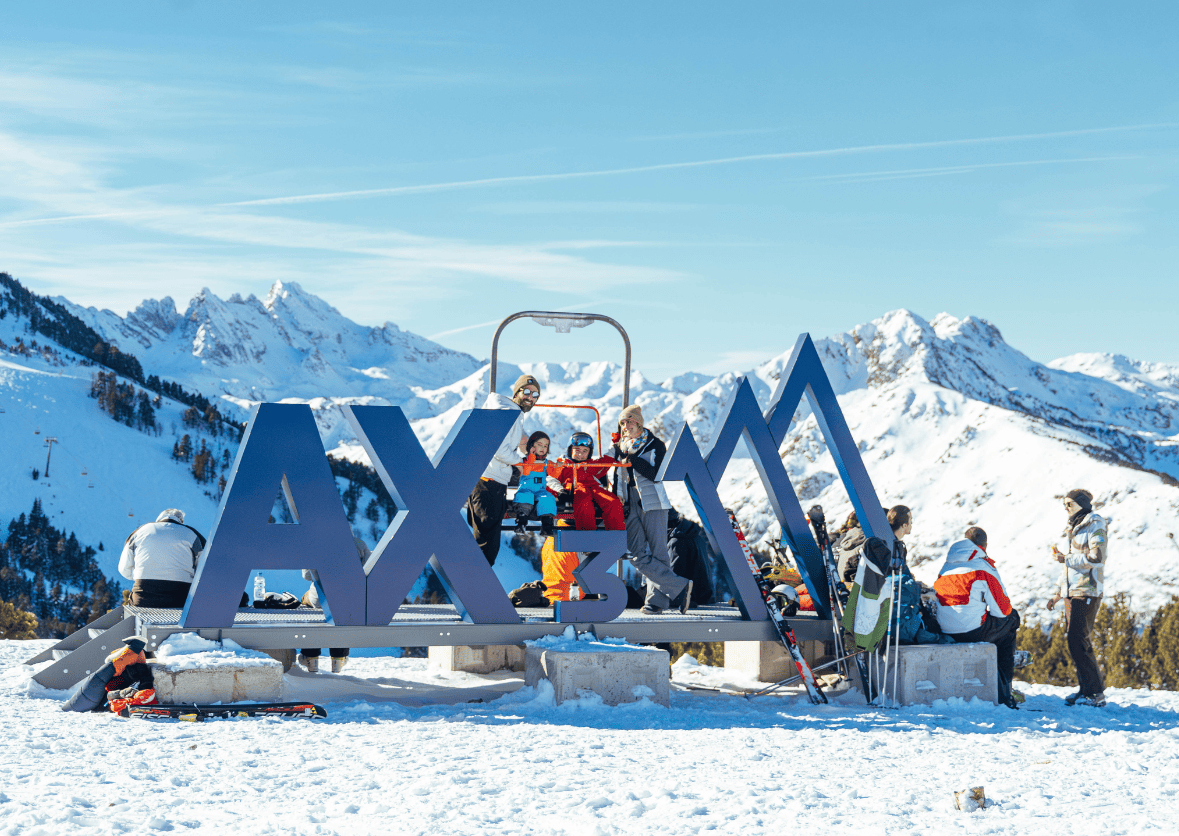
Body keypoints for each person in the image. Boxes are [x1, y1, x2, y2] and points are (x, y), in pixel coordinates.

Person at [609, 404, 691, 615]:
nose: (625, 426)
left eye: (629, 421)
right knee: (636, 554)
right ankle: (679, 585)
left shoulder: (655, 445)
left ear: (639, 422)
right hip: (629, 503)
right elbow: (610, 470)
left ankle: (655, 603)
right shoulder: (619, 447)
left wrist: (634, 462)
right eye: (622, 423)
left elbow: (658, 474)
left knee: (658, 552)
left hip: (653, 502)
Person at [934, 526, 1022, 709]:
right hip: (972, 631)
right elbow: (1003, 610)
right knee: (1012, 620)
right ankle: (1004, 691)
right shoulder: (983, 567)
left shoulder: (946, 566)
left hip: (944, 629)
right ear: (985, 546)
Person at [467, 374, 539, 566]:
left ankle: (473, 587)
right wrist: (520, 462)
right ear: (516, 392)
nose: (530, 397)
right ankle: (477, 587)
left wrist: (524, 442)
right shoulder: (509, 413)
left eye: (535, 395)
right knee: (487, 547)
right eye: (526, 392)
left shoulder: (504, 411)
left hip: (484, 481)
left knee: (484, 541)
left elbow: (503, 438)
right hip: (489, 484)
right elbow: (498, 448)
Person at [1046, 488, 1108, 707]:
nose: (1066, 508)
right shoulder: (1073, 527)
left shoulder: (1095, 524)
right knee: (1076, 642)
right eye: (1064, 504)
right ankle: (1088, 690)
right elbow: (1069, 568)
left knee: (1077, 640)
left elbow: (1097, 557)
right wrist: (1057, 594)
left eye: (1069, 504)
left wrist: (1067, 558)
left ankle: (1095, 694)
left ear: (1081, 504)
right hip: (1071, 593)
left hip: (1087, 590)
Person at [298, 535, 371, 673]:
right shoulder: (359, 544)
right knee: (340, 610)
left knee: (307, 603)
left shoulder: (315, 543)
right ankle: (339, 658)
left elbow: (307, 576)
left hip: (320, 598)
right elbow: (367, 572)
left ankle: (310, 657)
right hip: (349, 599)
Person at [118, 508, 206, 608]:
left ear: (159, 519)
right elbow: (204, 570)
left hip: (143, 597)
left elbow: (124, 569)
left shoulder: (140, 531)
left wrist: (140, 574)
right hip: (180, 599)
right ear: (180, 520)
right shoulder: (192, 534)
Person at [554, 430, 624, 532]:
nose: (580, 454)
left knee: (613, 502)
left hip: (594, 488)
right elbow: (552, 480)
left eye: (584, 451)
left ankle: (616, 535)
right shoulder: (563, 465)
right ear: (570, 450)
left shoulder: (591, 465)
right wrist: (559, 491)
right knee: (583, 501)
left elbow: (608, 459)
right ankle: (587, 534)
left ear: (589, 453)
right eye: (577, 450)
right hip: (576, 489)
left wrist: (616, 441)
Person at [511, 431, 562, 536]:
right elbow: (526, 471)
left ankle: (547, 526)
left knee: (547, 498)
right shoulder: (525, 461)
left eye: (545, 446)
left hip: (540, 489)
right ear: (531, 446)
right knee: (525, 497)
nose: (543, 448)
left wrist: (558, 467)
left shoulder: (546, 463)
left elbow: (554, 474)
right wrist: (531, 457)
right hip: (526, 488)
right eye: (539, 445)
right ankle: (521, 522)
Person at [666, 509, 714, 607]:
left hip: (691, 600)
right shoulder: (698, 537)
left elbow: (676, 573)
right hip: (705, 597)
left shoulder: (677, 542)